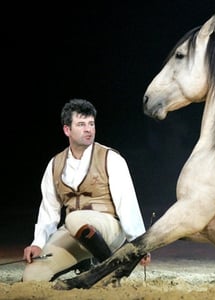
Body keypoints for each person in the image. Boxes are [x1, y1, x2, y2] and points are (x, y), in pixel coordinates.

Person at [22, 98, 151, 281]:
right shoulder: (55, 164)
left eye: (91, 124)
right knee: (32, 277)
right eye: (81, 124)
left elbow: (127, 203)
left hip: (109, 229)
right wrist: (37, 243)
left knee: (75, 218)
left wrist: (139, 244)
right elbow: (48, 211)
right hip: (74, 231)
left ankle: (109, 271)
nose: (88, 129)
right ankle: (84, 262)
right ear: (67, 130)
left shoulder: (111, 158)